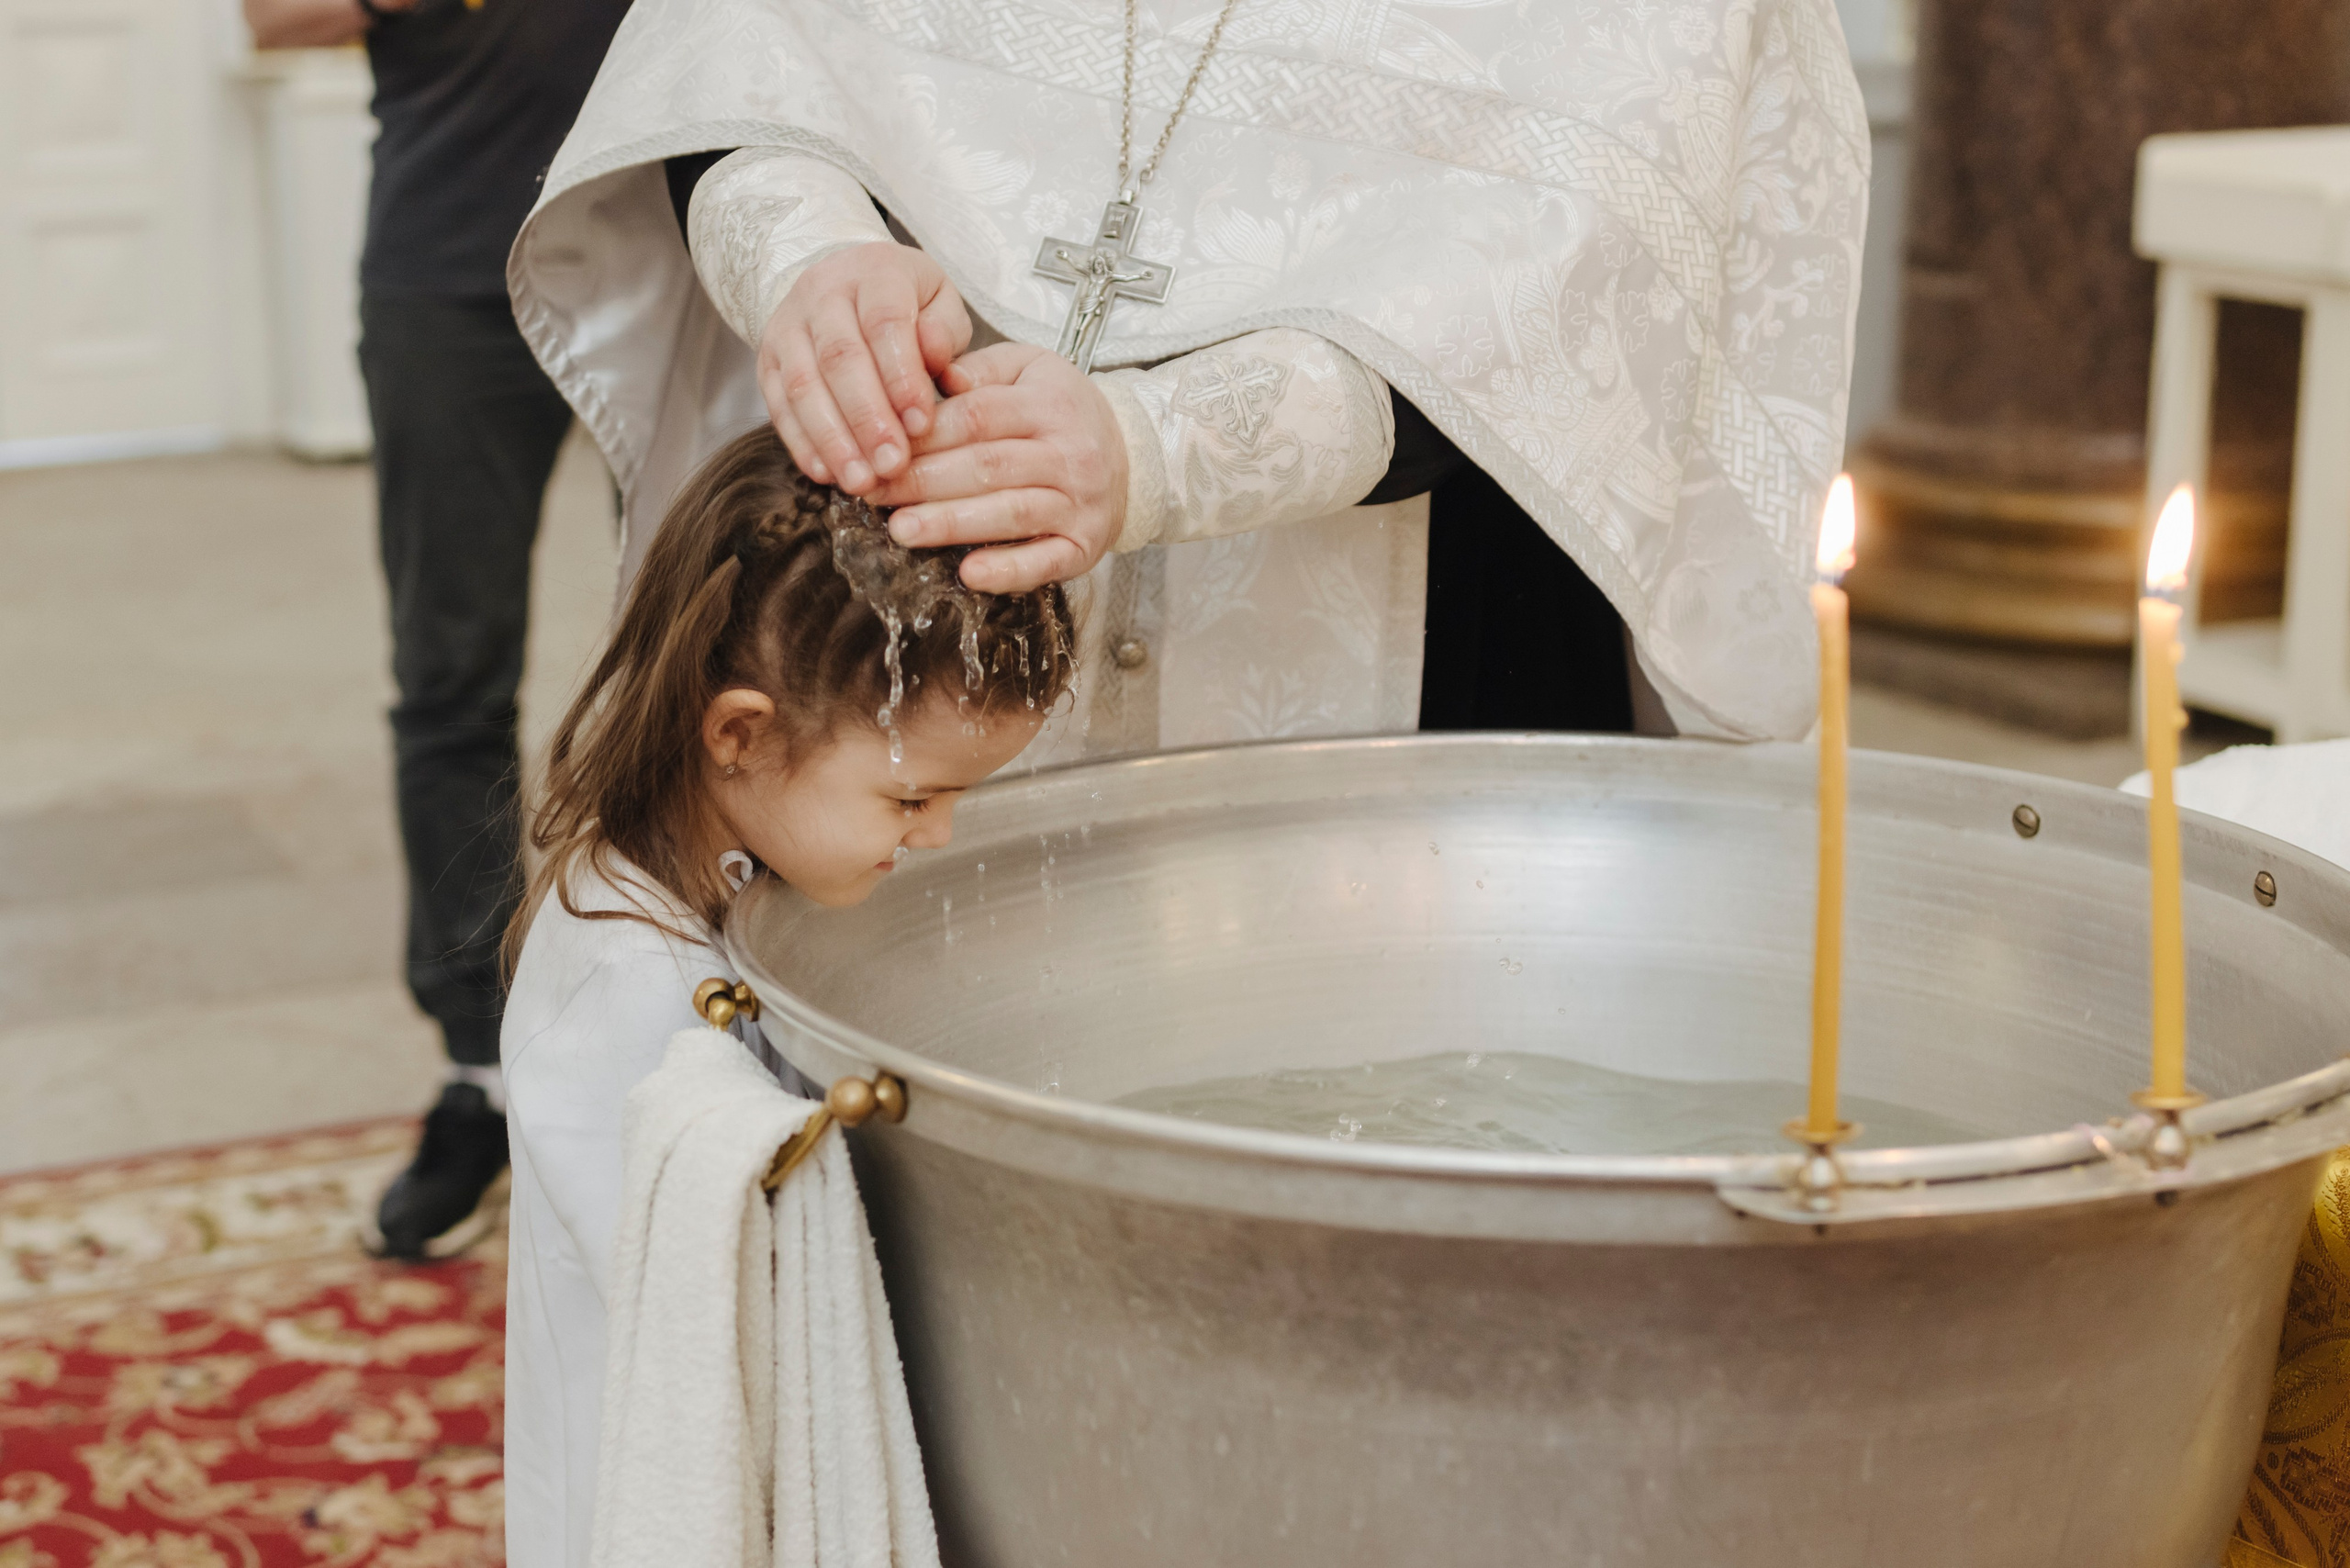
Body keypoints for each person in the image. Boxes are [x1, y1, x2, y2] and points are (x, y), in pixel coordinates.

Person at [509, 0, 1868, 759]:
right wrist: (818, 265)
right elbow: (742, 59)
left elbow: (1601, 260)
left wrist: (1167, 447)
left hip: (1436, 609)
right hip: (916, 570)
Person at [499, 426, 1075, 1565]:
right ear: (738, 733)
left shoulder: (733, 876)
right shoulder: (626, 990)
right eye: (911, 800)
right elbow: (704, 1318)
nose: (939, 834)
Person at [241, 0, 634, 1257]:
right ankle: (483, 1074)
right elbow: (272, 17)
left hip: (669, 266)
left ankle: (699, 1031)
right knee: (450, 684)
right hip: (450, 269)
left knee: (708, 668)